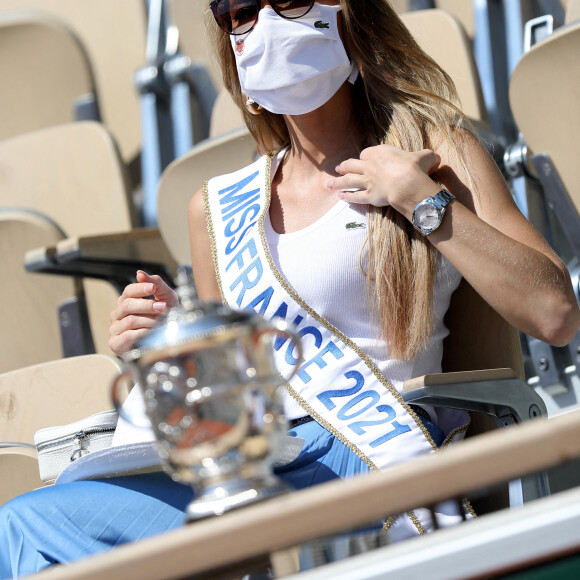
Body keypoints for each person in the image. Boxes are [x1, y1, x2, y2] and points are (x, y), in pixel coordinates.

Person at [1, 0, 579, 576]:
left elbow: (555, 314)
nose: (266, 23)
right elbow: (236, 403)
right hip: (262, 460)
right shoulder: (216, 211)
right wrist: (174, 342)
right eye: (240, 11)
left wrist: (421, 199)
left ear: (350, 16)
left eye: (293, 0)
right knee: (25, 527)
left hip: (373, 452)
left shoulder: (434, 152)